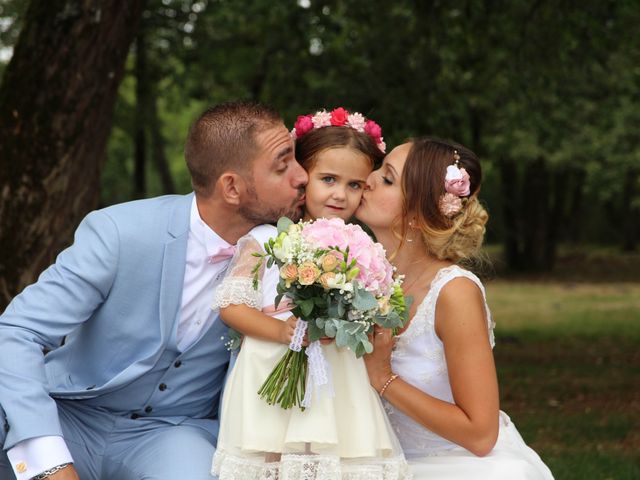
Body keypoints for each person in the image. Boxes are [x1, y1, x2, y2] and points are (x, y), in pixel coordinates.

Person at [0, 101, 308, 480]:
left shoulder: (300, 256)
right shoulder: (120, 233)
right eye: (283, 165)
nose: (302, 175)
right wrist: (49, 460)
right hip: (73, 415)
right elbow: (16, 332)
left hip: (175, 433)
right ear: (231, 187)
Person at [210, 108, 410, 479]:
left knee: (337, 457)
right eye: (329, 179)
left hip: (338, 375)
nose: (340, 195)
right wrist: (282, 331)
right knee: (271, 457)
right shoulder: (268, 240)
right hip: (269, 367)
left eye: (355, 185)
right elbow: (231, 306)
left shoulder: (361, 249)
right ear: (303, 177)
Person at [357, 137, 554, 479]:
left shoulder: (453, 293)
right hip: (383, 461)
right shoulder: (362, 278)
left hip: (460, 465)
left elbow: (480, 434)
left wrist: (383, 378)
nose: (369, 178)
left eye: (387, 178)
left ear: (417, 216)